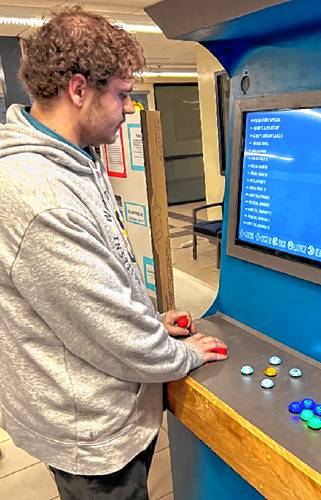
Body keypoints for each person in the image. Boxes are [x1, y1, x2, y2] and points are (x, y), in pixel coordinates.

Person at [0, 6, 227, 499]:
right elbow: (108, 331)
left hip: (95, 398)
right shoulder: (42, 194)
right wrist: (177, 353)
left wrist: (149, 319)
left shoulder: (75, 159)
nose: (129, 108)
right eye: (122, 95)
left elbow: (97, 281)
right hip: (90, 430)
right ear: (78, 90)